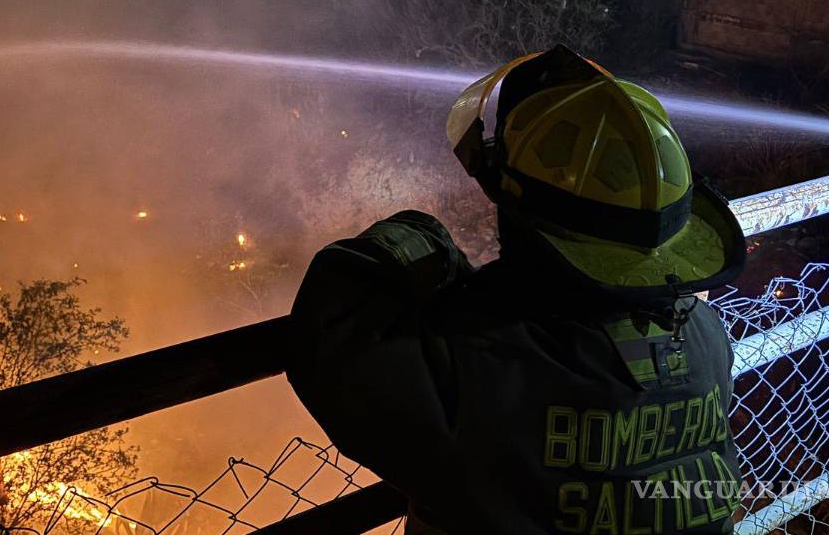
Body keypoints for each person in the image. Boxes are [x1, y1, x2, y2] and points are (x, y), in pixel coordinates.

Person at [286, 46, 746, 534]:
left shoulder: (469, 363)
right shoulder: (703, 336)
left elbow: (335, 320)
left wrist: (423, 240)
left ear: (515, 208)